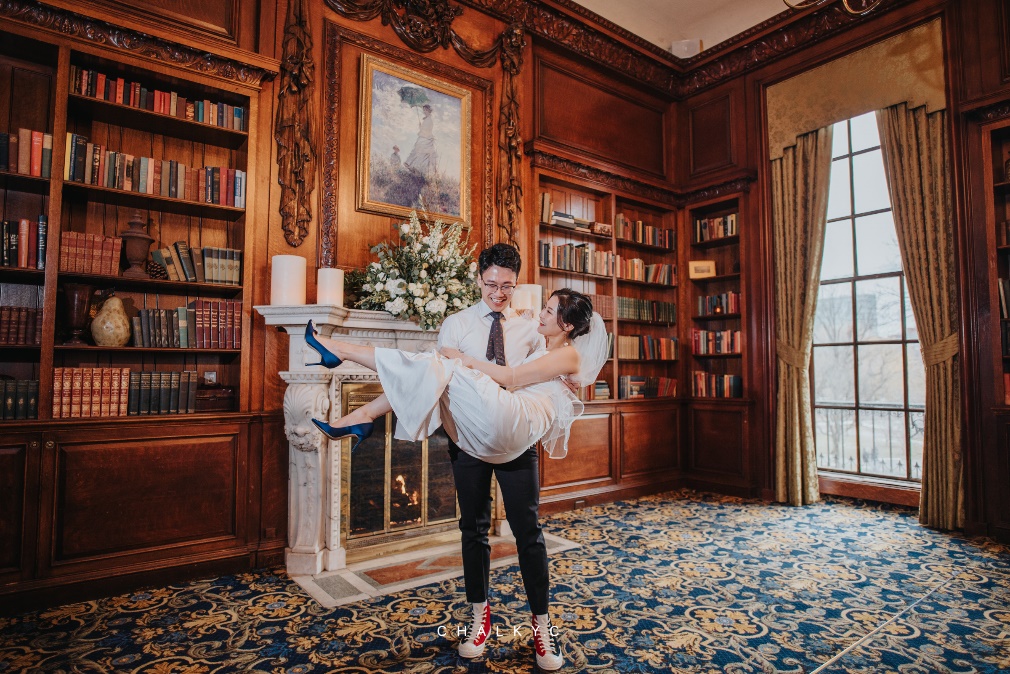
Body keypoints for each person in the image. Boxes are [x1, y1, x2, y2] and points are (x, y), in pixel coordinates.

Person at [304, 283, 606, 672]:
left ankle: (542, 629)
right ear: (481, 279)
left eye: (549, 310)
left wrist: (460, 357)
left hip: (514, 426)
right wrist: (463, 355)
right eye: (493, 283)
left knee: (528, 533)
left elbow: (511, 377)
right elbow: (527, 367)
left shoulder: (564, 353)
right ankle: (480, 618)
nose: (538, 312)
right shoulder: (531, 338)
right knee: (472, 527)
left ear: (565, 323)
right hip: (480, 434)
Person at [404, 104, 438, 175]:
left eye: (425, 110)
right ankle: (411, 166)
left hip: (426, 138)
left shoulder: (429, 120)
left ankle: (416, 168)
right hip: (423, 137)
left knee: (421, 154)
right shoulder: (426, 119)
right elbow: (424, 129)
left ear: (429, 110)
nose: (424, 111)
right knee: (417, 151)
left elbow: (427, 131)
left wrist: (421, 128)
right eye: (423, 110)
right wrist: (421, 127)